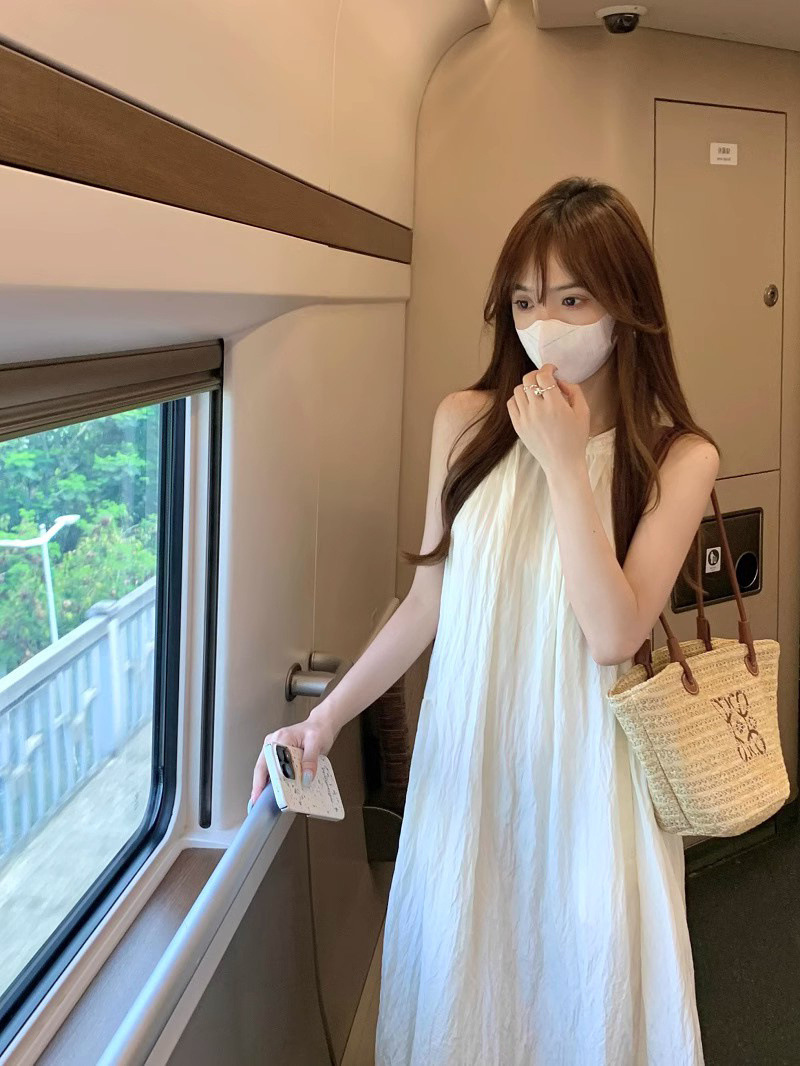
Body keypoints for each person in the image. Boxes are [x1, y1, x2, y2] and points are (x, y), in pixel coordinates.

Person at [250, 176, 718, 1064]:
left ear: (627, 310)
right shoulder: (464, 422)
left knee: (586, 999)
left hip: (591, 780)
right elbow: (428, 602)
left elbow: (612, 636)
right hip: (471, 764)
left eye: (572, 299)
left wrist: (566, 464)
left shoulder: (677, 459)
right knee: (470, 987)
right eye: (525, 300)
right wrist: (326, 719)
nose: (544, 323)